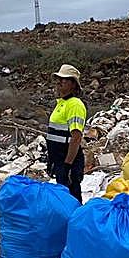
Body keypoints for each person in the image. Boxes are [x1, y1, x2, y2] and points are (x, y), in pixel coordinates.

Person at [47, 64, 87, 202]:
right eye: (58, 79)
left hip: (68, 160)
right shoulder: (61, 103)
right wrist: (52, 160)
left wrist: (68, 165)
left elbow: (76, 138)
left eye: (63, 79)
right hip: (59, 159)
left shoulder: (74, 105)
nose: (59, 82)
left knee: (72, 198)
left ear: (73, 84)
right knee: (63, 200)